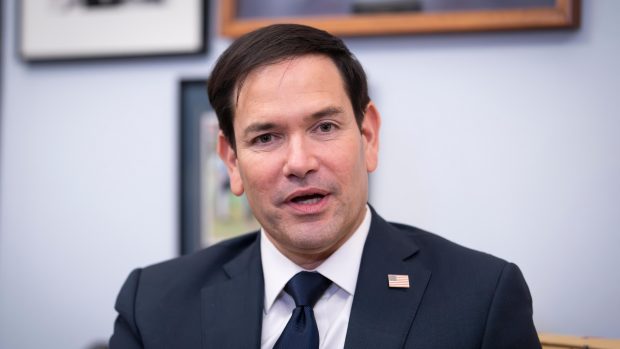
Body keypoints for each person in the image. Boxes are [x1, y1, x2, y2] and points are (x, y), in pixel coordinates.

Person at [110, 24, 541, 349]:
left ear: (368, 136)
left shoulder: (481, 297)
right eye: (266, 138)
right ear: (232, 161)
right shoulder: (152, 306)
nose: (300, 163)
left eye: (325, 126)